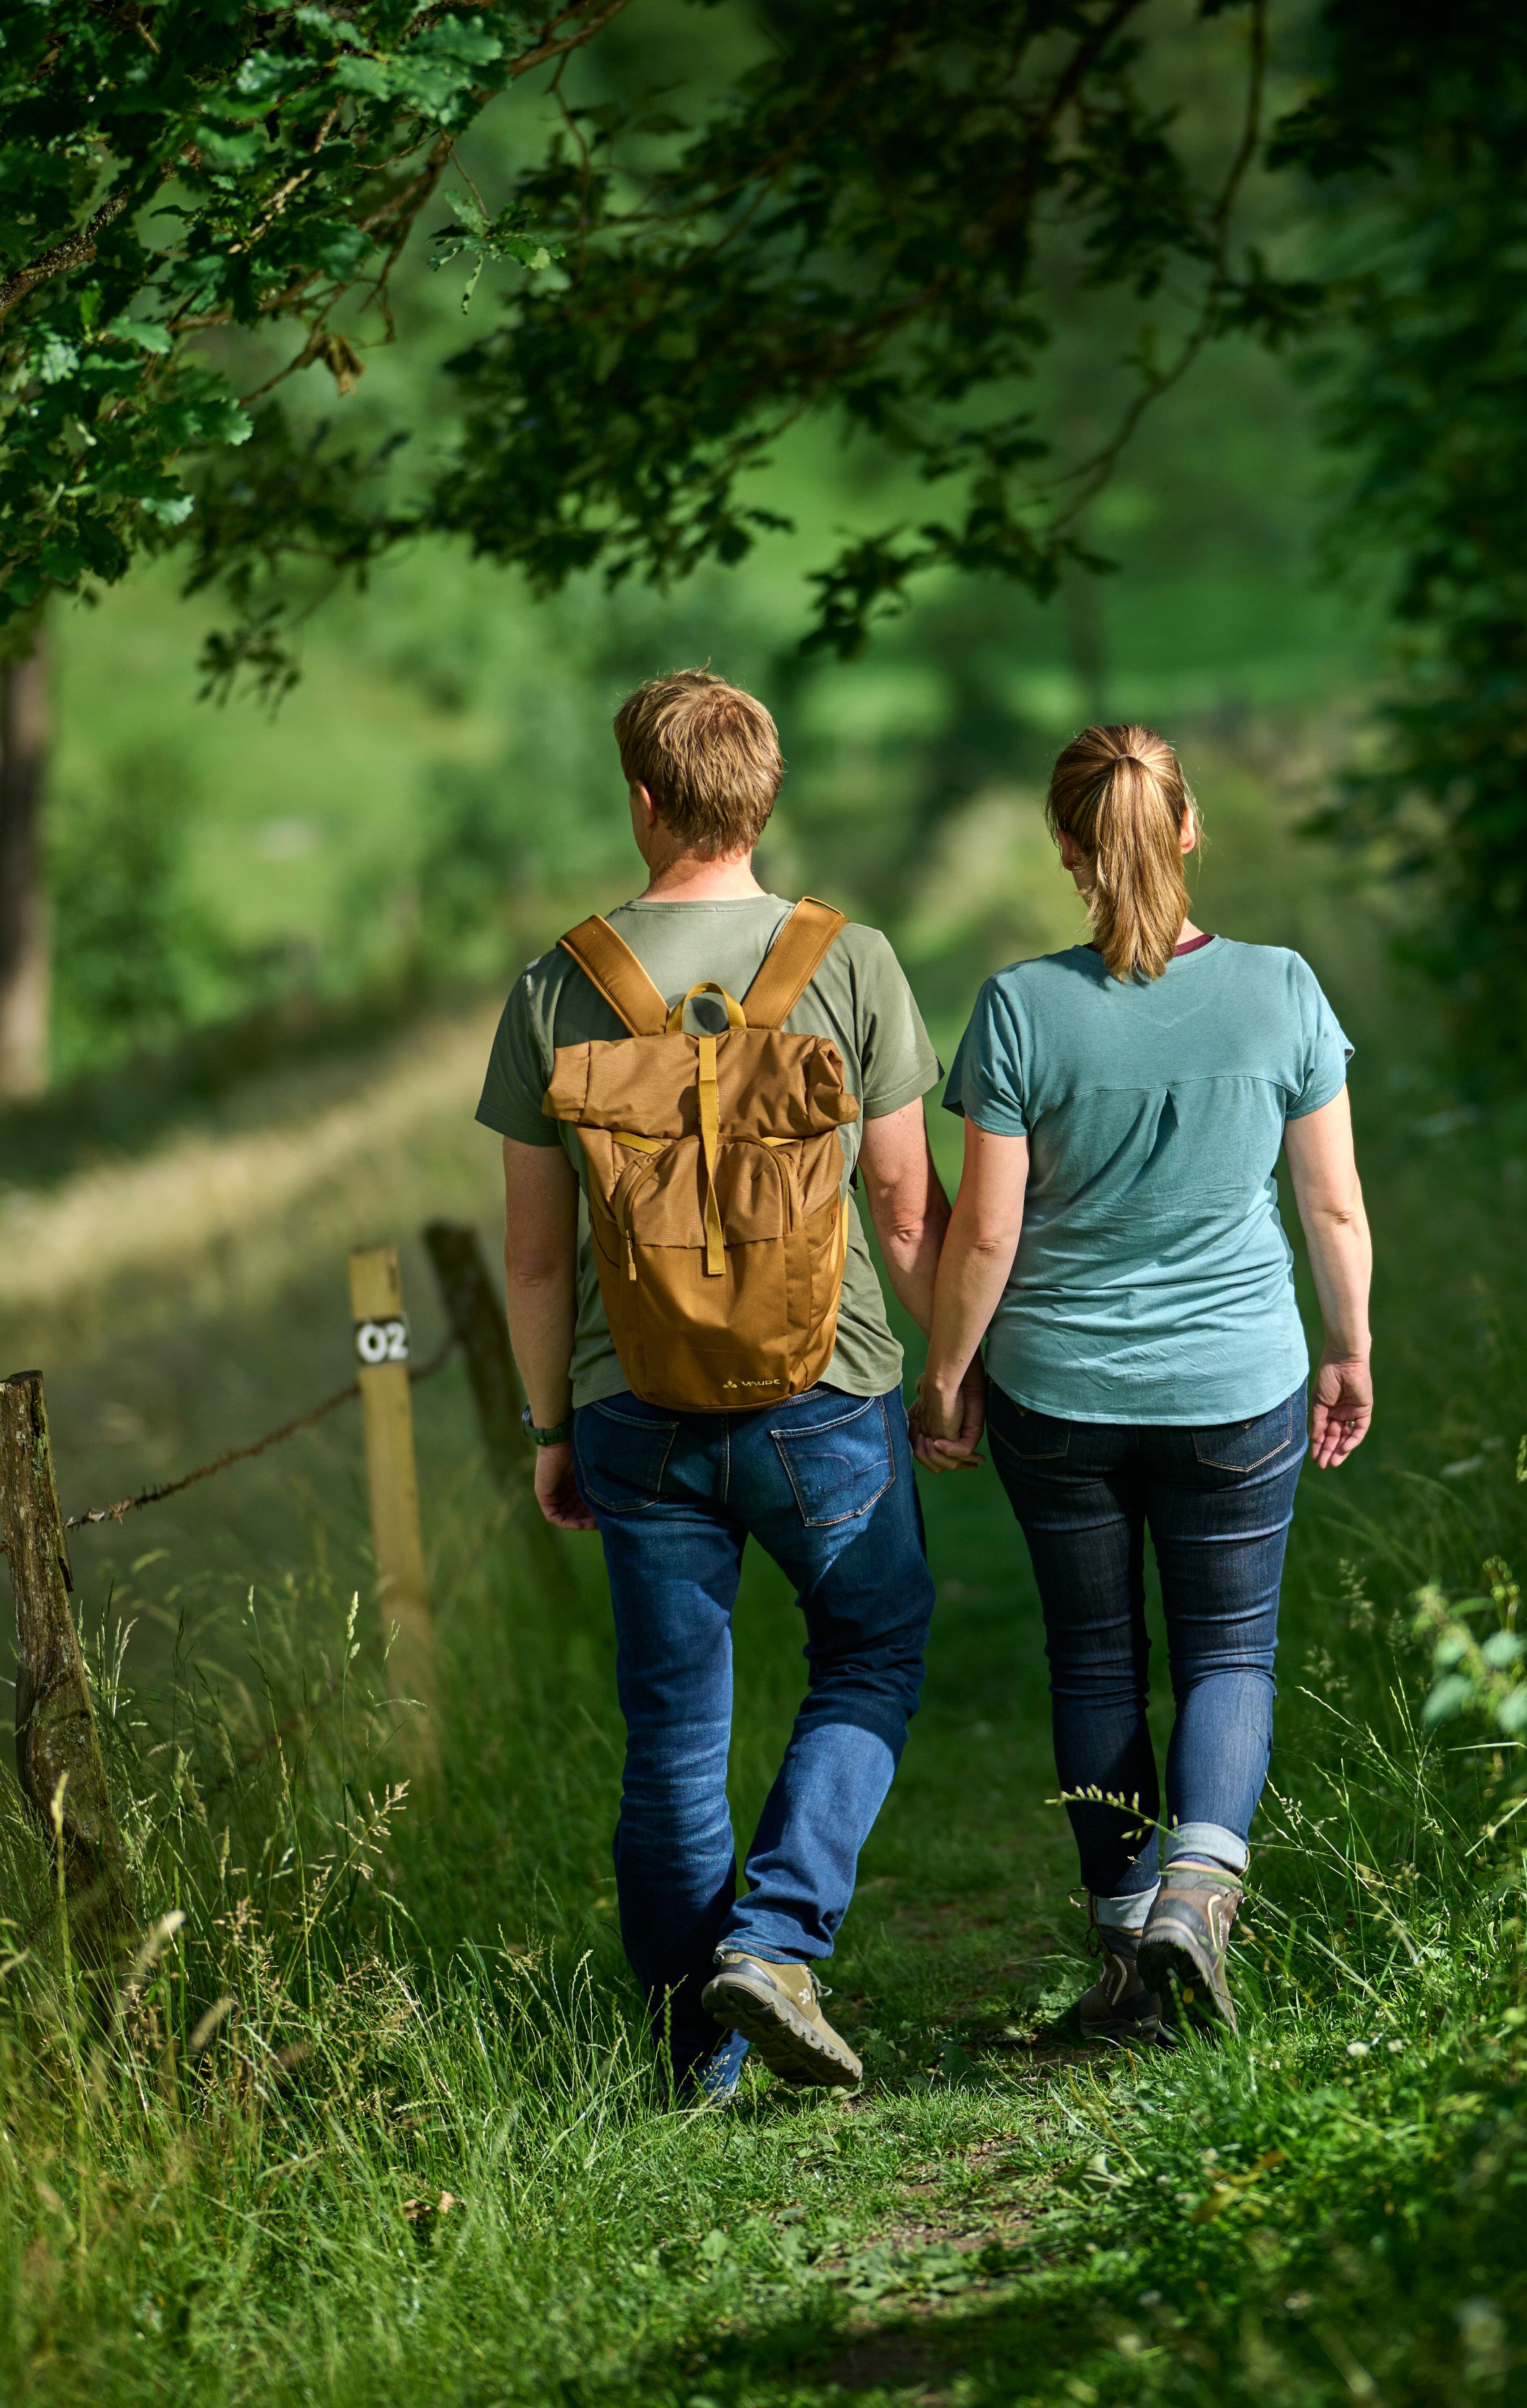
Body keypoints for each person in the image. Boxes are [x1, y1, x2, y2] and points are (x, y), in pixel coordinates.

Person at [483, 668, 954, 2100]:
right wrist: (948, 1376)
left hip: (634, 1405)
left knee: (675, 1725)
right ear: (764, 792)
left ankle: (698, 2066)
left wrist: (552, 1428)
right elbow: (903, 1199)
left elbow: (533, 1256)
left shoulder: (558, 984)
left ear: (641, 797)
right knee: (871, 1651)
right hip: (827, 1390)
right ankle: (778, 1934)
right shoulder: (850, 959)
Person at [911, 723, 1374, 2035]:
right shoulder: (1283, 988)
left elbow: (988, 1232)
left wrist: (948, 1376)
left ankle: (1125, 1959)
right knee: (1230, 1649)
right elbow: (1332, 1208)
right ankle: (1198, 1892)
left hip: (1060, 1393)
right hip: (1238, 1382)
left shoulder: (1017, 1007)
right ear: (1189, 829)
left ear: (1067, 850)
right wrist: (1351, 1347)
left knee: (1094, 1660)